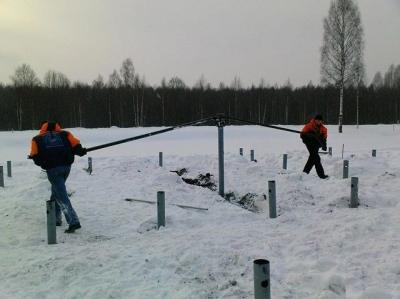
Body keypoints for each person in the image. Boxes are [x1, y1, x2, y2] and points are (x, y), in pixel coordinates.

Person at [29, 121, 87, 233]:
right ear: (57, 127)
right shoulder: (66, 134)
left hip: (53, 170)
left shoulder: (37, 139)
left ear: (43, 128)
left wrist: (40, 160)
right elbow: (76, 146)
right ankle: (55, 218)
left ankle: (73, 221)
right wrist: (81, 151)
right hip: (66, 168)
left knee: (61, 195)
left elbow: (34, 155)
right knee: (56, 191)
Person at [300, 114, 328, 179]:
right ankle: (321, 175)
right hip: (309, 144)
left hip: (317, 145)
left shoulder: (324, 129)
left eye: (320, 121)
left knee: (313, 158)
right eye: (317, 120)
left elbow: (324, 139)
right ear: (315, 120)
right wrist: (309, 136)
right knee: (316, 158)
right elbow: (302, 135)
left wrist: (324, 146)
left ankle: (304, 173)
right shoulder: (309, 126)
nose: (319, 122)